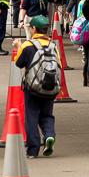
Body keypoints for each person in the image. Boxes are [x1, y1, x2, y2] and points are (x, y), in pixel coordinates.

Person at [13, 15, 58, 158]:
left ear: (33, 29)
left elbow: (19, 63)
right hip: (50, 86)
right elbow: (59, 66)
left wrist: (18, 46)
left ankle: (33, 149)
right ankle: (49, 135)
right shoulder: (53, 46)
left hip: (32, 88)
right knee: (47, 115)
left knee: (31, 116)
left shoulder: (28, 45)